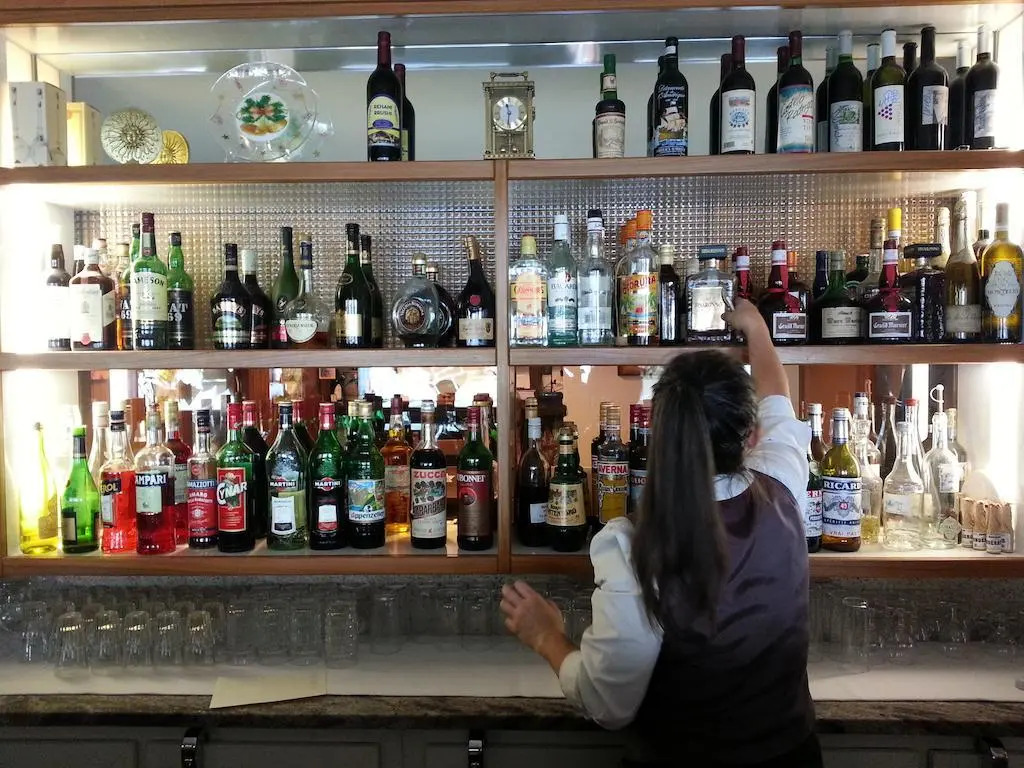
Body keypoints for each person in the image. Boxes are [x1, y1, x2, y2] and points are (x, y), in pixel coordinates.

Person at [500, 298, 821, 767]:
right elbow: (778, 401)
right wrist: (756, 328)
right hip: (793, 755)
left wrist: (546, 636)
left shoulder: (632, 546)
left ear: (659, 437)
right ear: (751, 435)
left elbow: (607, 703)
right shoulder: (784, 484)